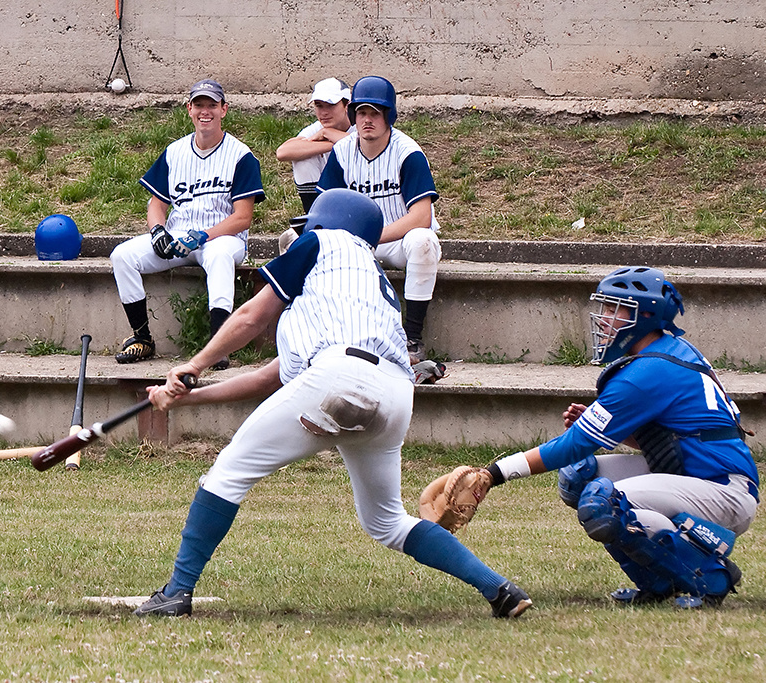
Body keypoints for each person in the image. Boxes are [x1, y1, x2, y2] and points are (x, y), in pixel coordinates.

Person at [132, 188, 532, 619]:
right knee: (386, 523)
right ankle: (500, 589)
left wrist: (195, 364)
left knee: (228, 473)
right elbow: (272, 377)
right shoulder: (359, 282)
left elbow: (251, 316)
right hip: (395, 394)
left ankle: (177, 591)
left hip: (341, 377)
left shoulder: (322, 242)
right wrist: (190, 397)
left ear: (325, 223)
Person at [478, 266, 757, 608]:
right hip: (701, 477)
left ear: (646, 315)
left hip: (723, 490)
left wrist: (493, 474)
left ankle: (710, 576)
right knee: (578, 477)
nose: (605, 318)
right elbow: (674, 441)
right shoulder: (668, 350)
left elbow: (575, 444)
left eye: (615, 309)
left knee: (601, 501)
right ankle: (658, 582)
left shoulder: (649, 370)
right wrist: (613, 429)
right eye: (606, 308)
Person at [110, 79, 265, 370]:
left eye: (212, 105)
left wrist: (202, 236)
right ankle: (142, 338)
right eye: (199, 105)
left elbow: (243, 218)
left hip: (222, 236)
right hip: (179, 235)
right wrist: (157, 229)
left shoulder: (241, 155)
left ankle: (218, 344)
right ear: (189, 109)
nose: (205, 111)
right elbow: (157, 203)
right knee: (122, 256)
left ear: (224, 110)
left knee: (219, 256)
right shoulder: (175, 152)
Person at [316, 76, 442, 365]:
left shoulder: (407, 152)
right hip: (358, 243)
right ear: (353, 115)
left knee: (424, 241)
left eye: (375, 112)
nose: (367, 120)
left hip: (398, 241)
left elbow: (421, 217)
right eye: (362, 112)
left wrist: (374, 236)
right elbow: (326, 206)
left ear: (389, 116)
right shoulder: (343, 151)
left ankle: (412, 338)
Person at [275, 77, 355, 215]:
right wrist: (331, 144)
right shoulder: (318, 128)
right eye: (319, 105)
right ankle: (315, 218)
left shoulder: (360, 125)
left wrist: (328, 134)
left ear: (347, 105)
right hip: (328, 200)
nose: (324, 112)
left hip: (361, 199)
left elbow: (366, 145)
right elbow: (283, 152)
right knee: (303, 158)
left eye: (330, 105)